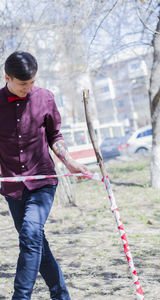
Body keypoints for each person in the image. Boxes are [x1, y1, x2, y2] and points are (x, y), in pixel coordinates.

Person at [0, 51, 89, 300]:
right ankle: (61, 295)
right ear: (7, 77)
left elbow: (54, 136)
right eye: (22, 84)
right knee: (36, 241)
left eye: (32, 83)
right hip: (12, 187)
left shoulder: (45, 98)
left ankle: (21, 297)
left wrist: (68, 161)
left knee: (30, 234)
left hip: (42, 181)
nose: (28, 89)